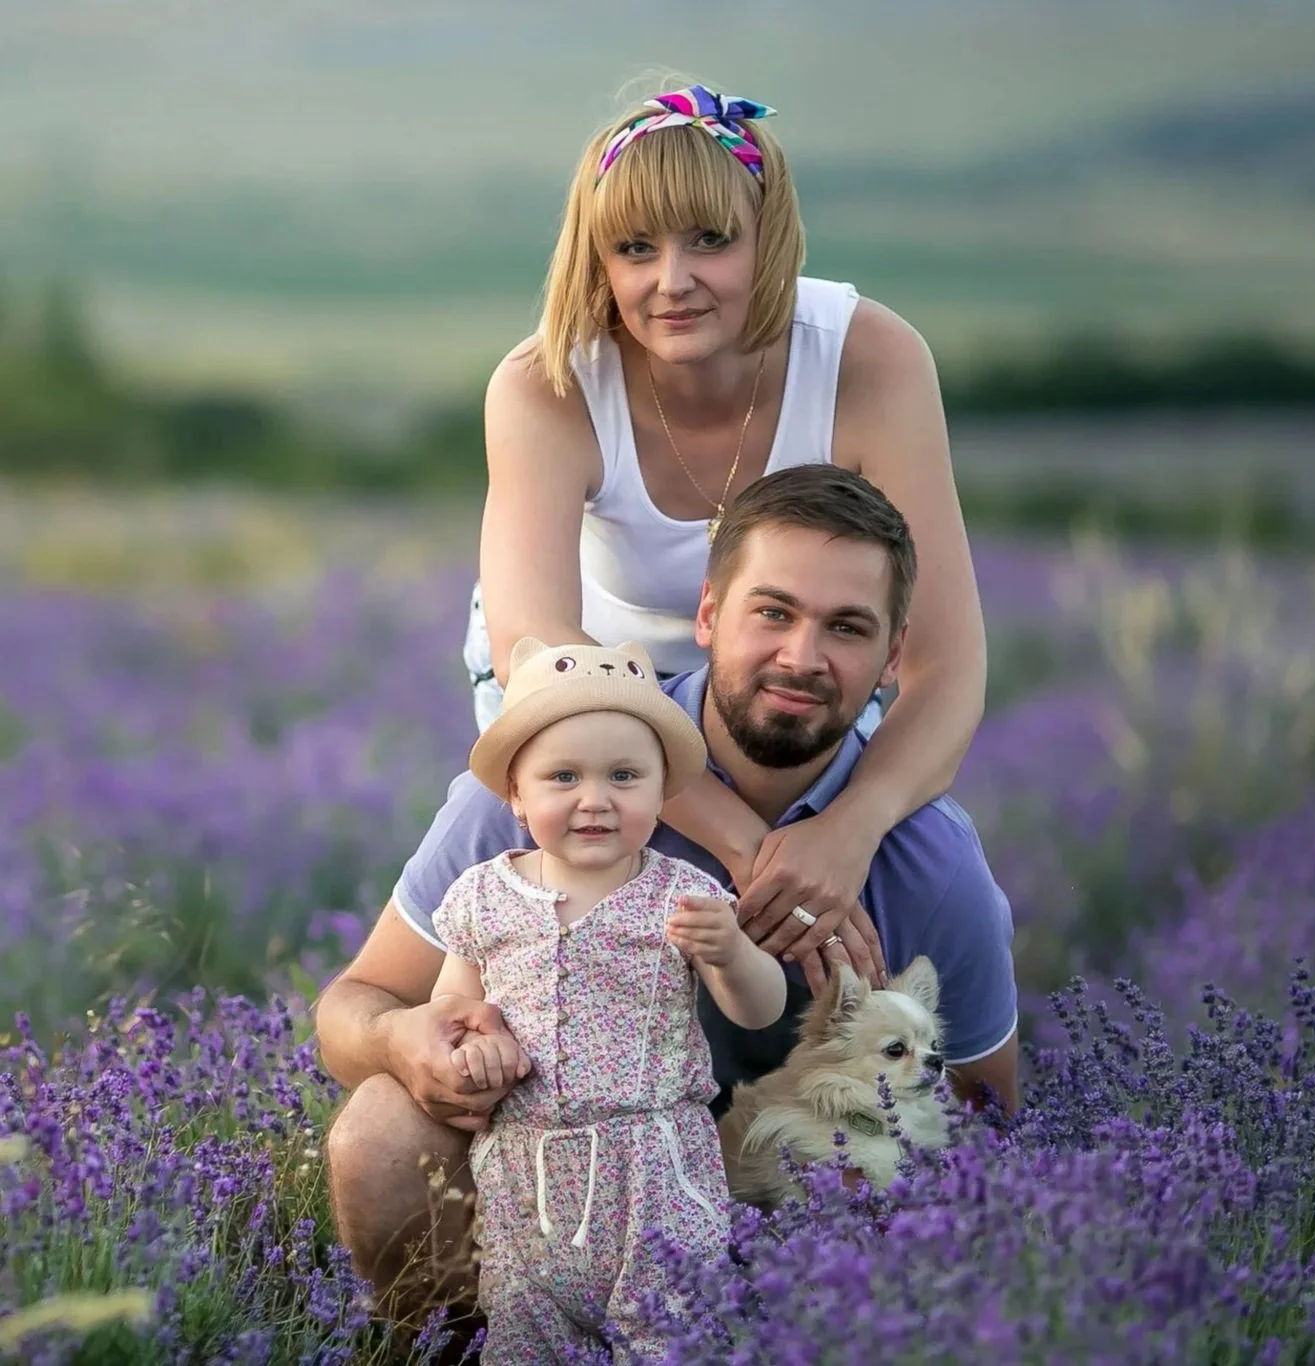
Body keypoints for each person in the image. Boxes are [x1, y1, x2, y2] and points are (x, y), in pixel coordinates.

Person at [317, 464, 1019, 1329]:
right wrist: (403, 1039)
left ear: (891, 658)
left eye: (846, 627)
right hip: (541, 1174)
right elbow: (351, 1008)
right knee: (381, 1133)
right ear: (707, 616)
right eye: (772, 612)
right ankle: (457, 1348)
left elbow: (986, 1118)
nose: (801, 657)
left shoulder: (928, 859)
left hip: (777, 1180)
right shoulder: (560, 784)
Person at [465, 81, 989, 987]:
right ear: (598, 260)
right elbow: (539, 656)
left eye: (710, 240)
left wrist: (845, 831)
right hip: (590, 692)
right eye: (635, 249)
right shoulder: (546, 383)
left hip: (790, 680)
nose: (672, 282)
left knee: (902, 882)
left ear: (769, 235)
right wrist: (752, 846)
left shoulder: (872, 358)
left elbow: (943, 664)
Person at [428, 635, 786, 1362]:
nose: (595, 799)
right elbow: (453, 1012)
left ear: (662, 793)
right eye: (563, 777)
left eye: (625, 776)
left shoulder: (683, 897)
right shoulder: (482, 897)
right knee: (528, 1335)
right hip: (525, 1174)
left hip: (655, 1165)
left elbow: (762, 1007)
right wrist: (475, 1043)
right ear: (516, 796)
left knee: (668, 1334)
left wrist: (732, 952)